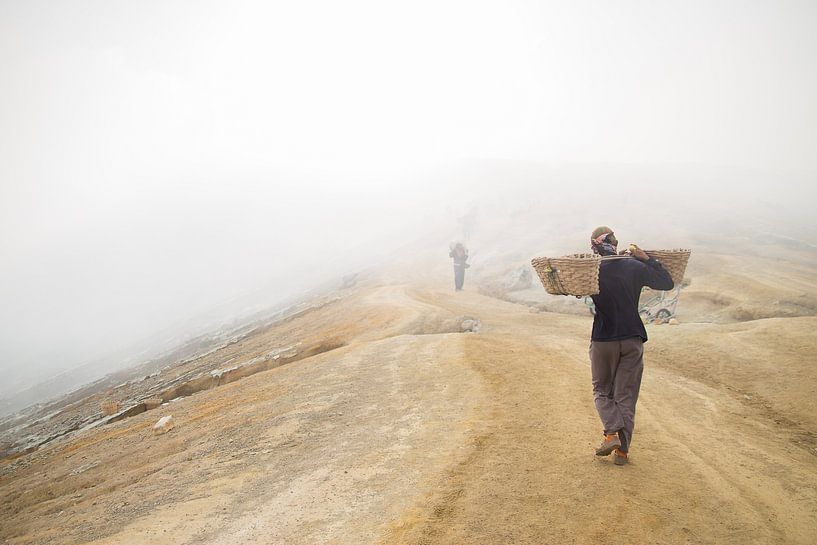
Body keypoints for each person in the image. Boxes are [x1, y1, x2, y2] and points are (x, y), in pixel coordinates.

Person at [588, 226, 673, 465]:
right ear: (616, 242)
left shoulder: (590, 271)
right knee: (626, 394)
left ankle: (611, 433)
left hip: (603, 339)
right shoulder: (634, 266)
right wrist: (647, 259)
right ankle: (622, 452)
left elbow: (564, 287)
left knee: (602, 390)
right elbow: (666, 283)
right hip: (632, 337)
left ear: (594, 246)